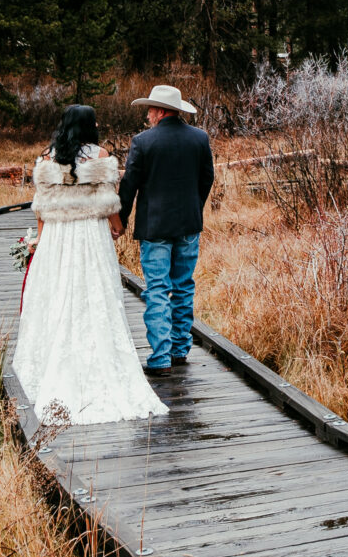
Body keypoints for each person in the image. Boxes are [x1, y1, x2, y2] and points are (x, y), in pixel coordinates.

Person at [11, 104, 164, 427]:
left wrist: (38, 241)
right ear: (88, 126)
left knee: (57, 292)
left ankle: (47, 364)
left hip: (58, 234)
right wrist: (118, 225)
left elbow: (40, 207)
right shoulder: (100, 156)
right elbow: (109, 199)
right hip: (91, 235)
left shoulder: (47, 158)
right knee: (95, 294)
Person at [115, 83, 214, 372]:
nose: (147, 115)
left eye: (149, 110)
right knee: (183, 286)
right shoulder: (199, 138)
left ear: (160, 111)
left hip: (155, 227)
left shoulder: (143, 142)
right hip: (188, 224)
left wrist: (120, 220)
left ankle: (160, 357)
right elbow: (207, 178)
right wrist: (194, 207)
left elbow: (129, 185)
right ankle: (180, 349)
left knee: (157, 289)